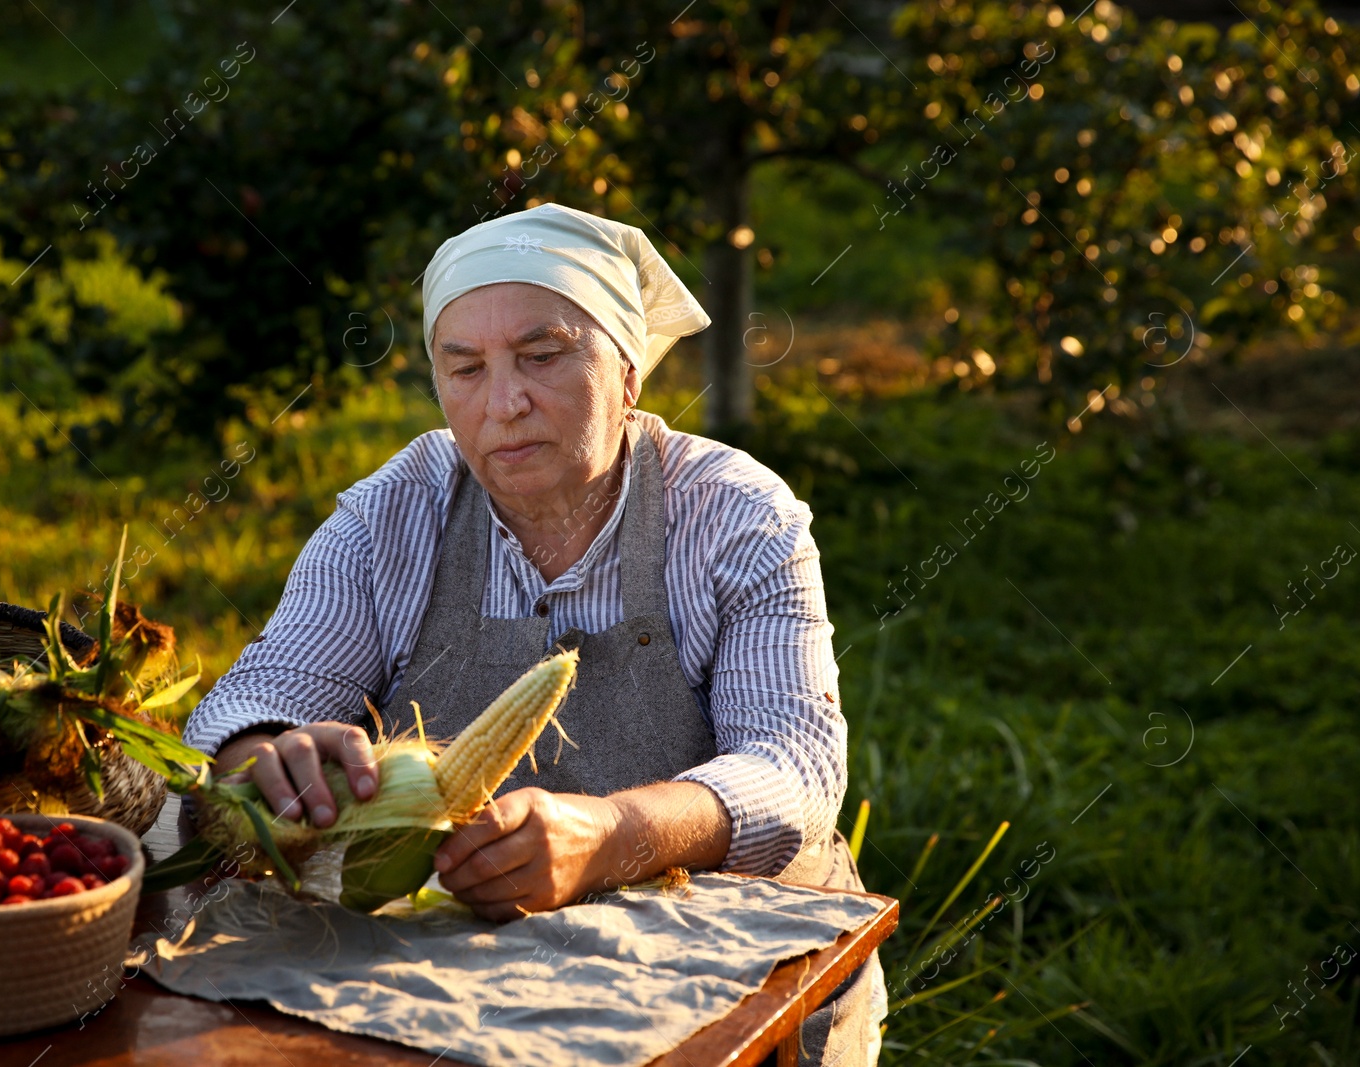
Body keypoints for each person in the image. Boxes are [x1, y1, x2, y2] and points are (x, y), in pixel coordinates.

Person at [183, 201, 886, 1064]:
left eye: (542, 356)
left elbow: (796, 767)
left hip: (733, 971)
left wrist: (615, 834)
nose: (503, 404)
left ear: (628, 371)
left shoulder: (734, 515)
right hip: (479, 980)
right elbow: (262, 692)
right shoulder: (394, 513)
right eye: (465, 368)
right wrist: (263, 752)